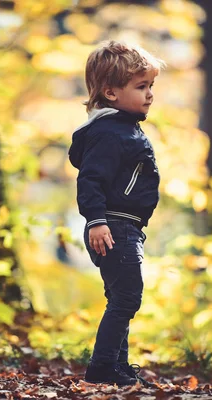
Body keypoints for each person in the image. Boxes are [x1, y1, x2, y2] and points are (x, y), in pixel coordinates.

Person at [68, 40, 164, 386]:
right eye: (141, 87)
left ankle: (118, 367)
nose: (150, 94)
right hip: (112, 225)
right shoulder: (110, 133)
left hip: (125, 228)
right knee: (126, 296)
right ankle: (103, 367)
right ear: (110, 93)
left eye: (151, 85)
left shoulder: (123, 129)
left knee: (121, 297)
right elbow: (90, 179)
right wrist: (96, 220)